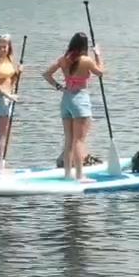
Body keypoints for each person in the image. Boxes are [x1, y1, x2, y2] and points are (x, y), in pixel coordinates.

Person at [43, 31, 105, 180]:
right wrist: (98, 54)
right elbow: (100, 72)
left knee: (69, 139)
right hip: (80, 100)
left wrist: (59, 87)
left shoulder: (63, 59)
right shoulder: (87, 60)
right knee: (80, 140)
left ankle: (67, 174)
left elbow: (46, 74)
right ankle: (79, 176)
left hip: (66, 100)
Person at [0, 34, 23, 173]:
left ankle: (1, 165)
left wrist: (18, 74)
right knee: (1, 134)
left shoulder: (8, 60)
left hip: (9, 98)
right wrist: (6, 94)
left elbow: (11, 81)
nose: (3, 49)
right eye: (0, 46)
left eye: (5, 46)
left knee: (6, 134)